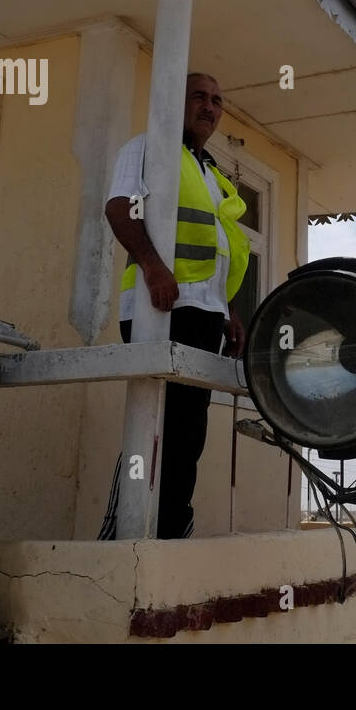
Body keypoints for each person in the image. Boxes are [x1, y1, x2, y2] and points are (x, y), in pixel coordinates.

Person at [97, 71, 248, 539]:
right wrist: (152, 267)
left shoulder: (211, 173)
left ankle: (171, 533)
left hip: (205, 312)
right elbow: (119, 207)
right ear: (174, 101)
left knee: (188, 432)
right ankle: (125, 534)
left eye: (217, 100)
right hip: (160, 306)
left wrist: (228, 311)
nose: (209, 106)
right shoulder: (147, 146)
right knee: (156, 426)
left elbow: (216, 247)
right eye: (199, 96)